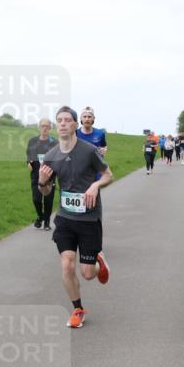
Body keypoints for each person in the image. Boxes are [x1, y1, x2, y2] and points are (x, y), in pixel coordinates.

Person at [38, 106, 113, 328]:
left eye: (67, 120)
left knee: (88, 274)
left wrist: (95, 186)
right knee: (67, 265)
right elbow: (46, 192)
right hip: (65, 219)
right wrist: (42, 182)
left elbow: (109, 175)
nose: (62, 123)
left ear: (74, 125)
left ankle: (99, 265)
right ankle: (78, 309)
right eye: (58, 120)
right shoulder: (51, 156)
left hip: (89, 219)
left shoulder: (90, 150)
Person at [26, 118, 57, 230]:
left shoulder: (54, 143)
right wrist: (28, 162)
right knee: (36, 199)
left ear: (50, 128)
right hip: (36, 175)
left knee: (48, 200)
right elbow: (29, 154)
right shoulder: (32, 141)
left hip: (49, 176)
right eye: (42, 126)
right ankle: (40, 216)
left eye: (47, 126)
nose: (44, 128)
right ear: (39, 127)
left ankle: (47, 223)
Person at [76, 107, 108, 181]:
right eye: (84, 117)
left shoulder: (100, 133)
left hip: (96, 172)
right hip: (80, 172)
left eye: (89, 117)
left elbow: (104, 146)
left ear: (93, 118)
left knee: (95, 191)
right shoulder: (75, 133)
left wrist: (104, 150)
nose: (87, 119)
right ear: (81, 118)